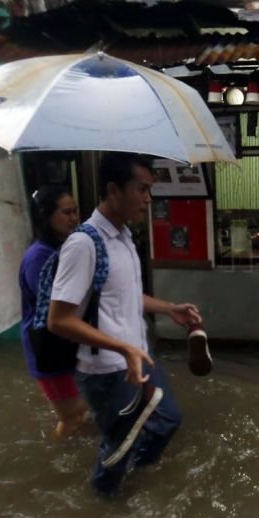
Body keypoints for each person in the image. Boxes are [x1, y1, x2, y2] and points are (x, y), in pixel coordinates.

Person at [47, 152, 203, 495]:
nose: (148, 198)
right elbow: (58, 320)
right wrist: (121, 347)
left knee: (167, 421)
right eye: (141, 189)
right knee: (117, 449)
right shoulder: (84, 244)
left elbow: (125, 295)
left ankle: (136, 477)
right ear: (113, 190)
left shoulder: (124, 236)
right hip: (107, 371)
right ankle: (105, 506)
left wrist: (168, 308)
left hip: (138, 357)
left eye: (150, 189)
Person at [18, 185, 87, 439]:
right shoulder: (39, 257)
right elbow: (54, 304)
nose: (73, 218)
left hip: (64, 341)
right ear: (46, 216)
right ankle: (59, 463)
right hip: (47, 346)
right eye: (66, 212)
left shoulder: (62, 249)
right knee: (72, 416)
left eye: (75, 211)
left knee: (80, 413)